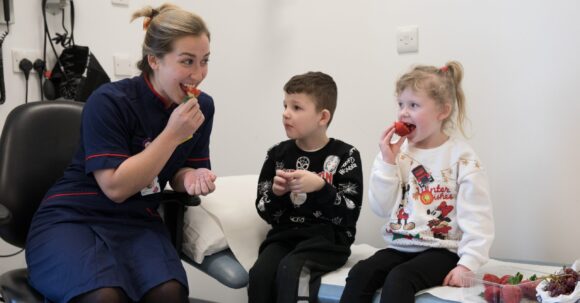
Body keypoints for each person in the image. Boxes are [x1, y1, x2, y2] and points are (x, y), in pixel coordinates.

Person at [25, 4, 216, 303]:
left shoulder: (201, 108)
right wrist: (171, 135)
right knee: (104, 297)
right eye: (187, 61)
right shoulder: (110, 102)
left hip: (137, 220)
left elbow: (181, 171)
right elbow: (115, 188)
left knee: (169, 293)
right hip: (74, 217)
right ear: (154, 59)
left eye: (204, 61)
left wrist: (193, 177)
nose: (198, 74)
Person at [339, 61, 494, 303]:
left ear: (442, 111)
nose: (403, 112)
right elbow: (380, 208)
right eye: (400, 104)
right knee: (361, 272)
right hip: (401, 245)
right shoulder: (395, 154)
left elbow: (478, 219)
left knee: (400, 278)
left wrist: (468, 264)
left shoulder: (462, 158)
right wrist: (387, 162)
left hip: (442, 251)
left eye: (414, 105)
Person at [249, 72, 364, 303]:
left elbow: (350, 213)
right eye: (285, 106)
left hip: (328, 240)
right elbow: (263, 209)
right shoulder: (277, 154)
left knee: (293, 269)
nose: (286, 114)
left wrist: (321, 187)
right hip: (285, 236)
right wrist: (276, 194)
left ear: (322, 117)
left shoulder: (346, 155)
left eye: (296, 107)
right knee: (260, 274)